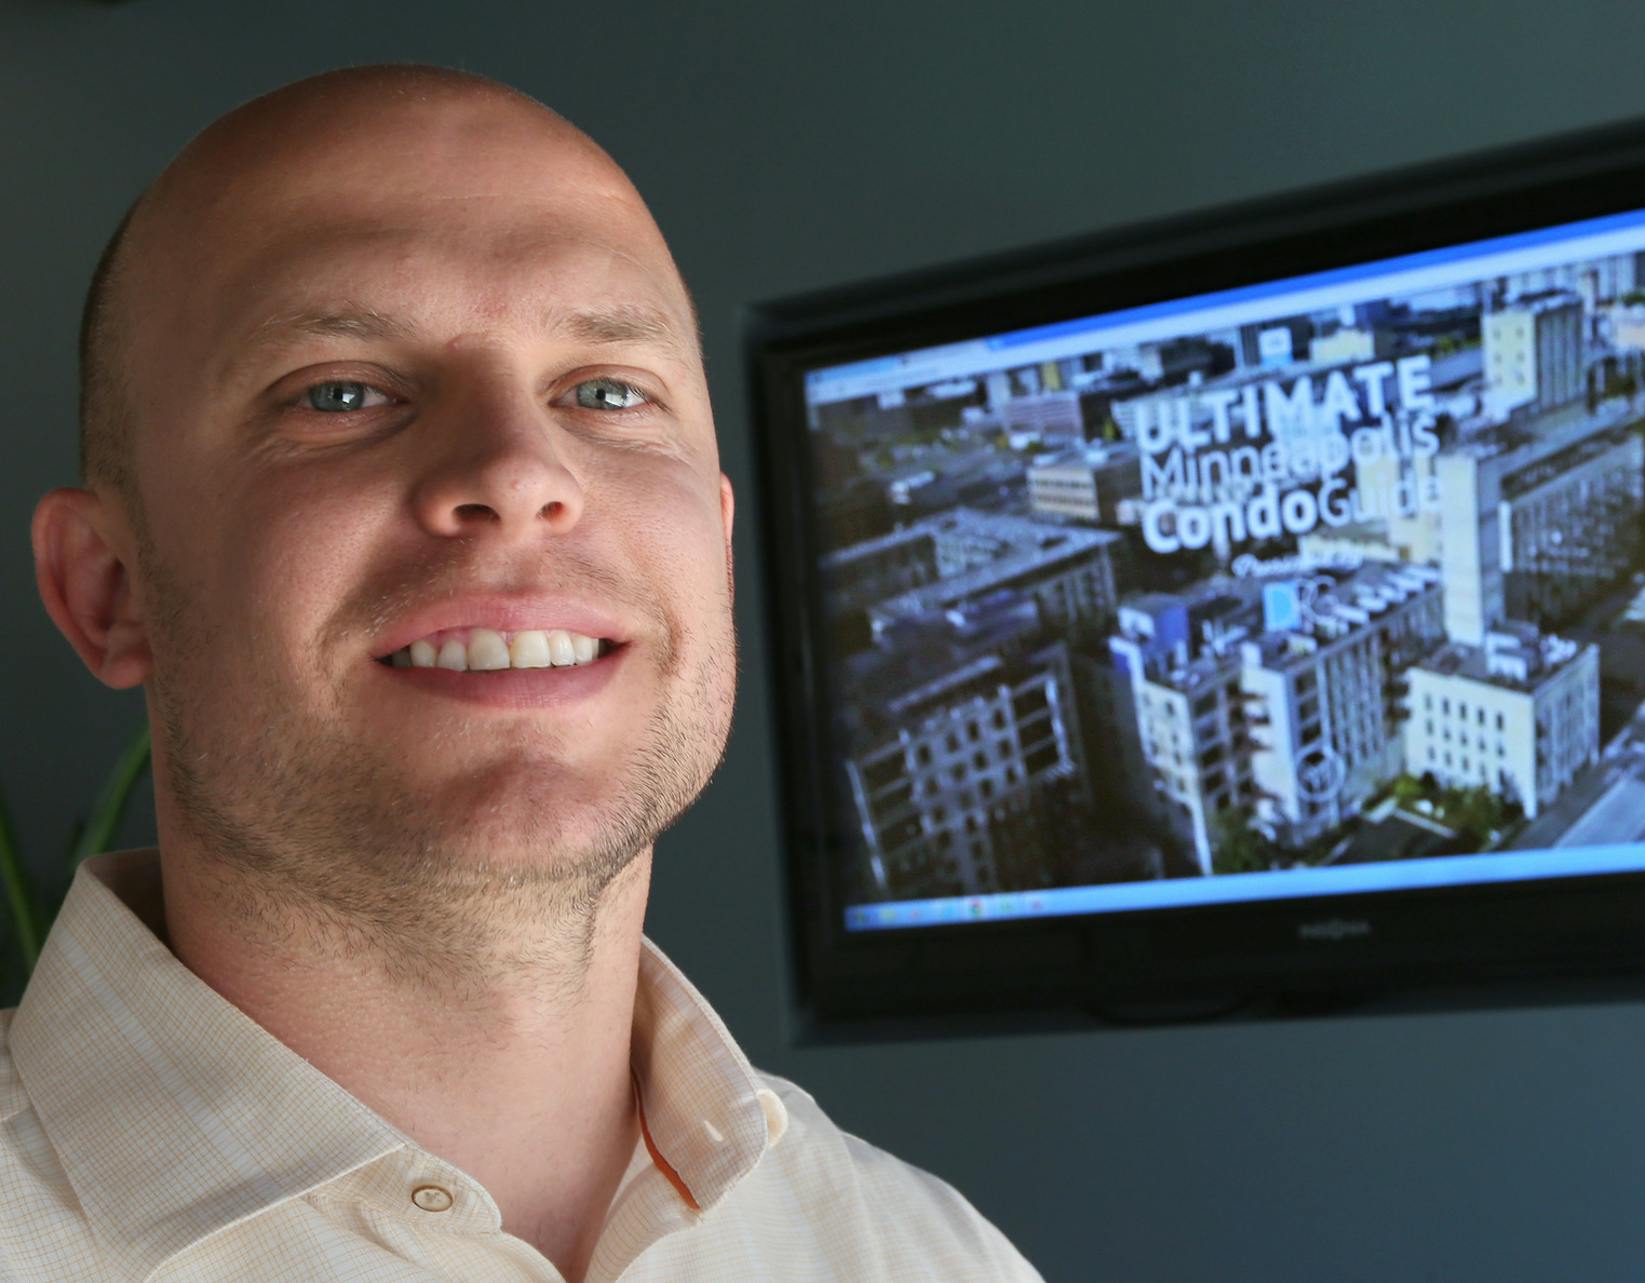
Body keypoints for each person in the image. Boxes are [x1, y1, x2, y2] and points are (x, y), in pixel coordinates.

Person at [2, 64, 1041, 1283]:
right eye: (340, 392)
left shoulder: (930, 1257)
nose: (518, 466)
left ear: (714, 547)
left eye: (606, 391)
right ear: (107, 588)